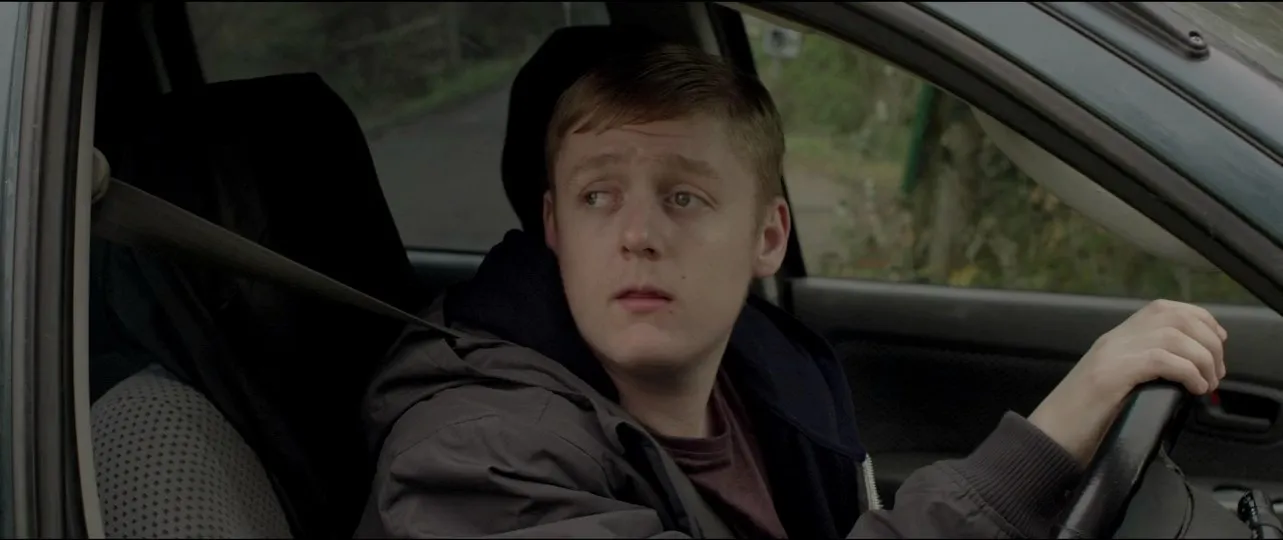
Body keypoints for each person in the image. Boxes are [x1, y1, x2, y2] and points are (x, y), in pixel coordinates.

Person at [355, 41, 1227, 539]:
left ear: (767, 237)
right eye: (596, 197)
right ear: (553, 228)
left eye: (683, 197)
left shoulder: (763, 377)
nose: (636, 233)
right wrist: (1043, 445)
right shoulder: (479, 459)